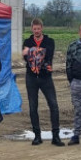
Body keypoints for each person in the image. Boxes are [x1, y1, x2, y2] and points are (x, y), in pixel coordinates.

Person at [22, 18, 65, 147]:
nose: (36, 31)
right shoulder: (27, 41)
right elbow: (26, 59)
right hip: (31, 77)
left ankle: (56, 136)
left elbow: (47, 55)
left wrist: (30, 52)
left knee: (53, 105)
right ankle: (37, 136)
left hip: (46, 77)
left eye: (38, 28)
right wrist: (35, 54)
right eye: (34, 29)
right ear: (32, 29)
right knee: (32, 107)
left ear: (42, 28)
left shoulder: (49, 41)